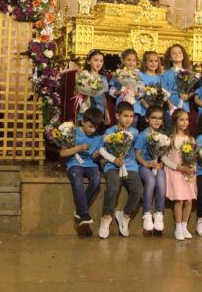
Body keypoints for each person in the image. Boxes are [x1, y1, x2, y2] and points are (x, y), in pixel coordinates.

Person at [98, 102, 142, 238]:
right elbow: (101, 149)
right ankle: (106, 218)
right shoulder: (110, 132)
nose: (129, 119)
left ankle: (125, 216)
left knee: (138, 190)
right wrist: (113, 160)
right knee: (113, 188)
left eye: (131, 116)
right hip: (112, 166)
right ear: (117, 116)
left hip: (130, 166)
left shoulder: (134, 132)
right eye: (125, 116)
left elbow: (136, 150)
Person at [59, 108, 104, 236]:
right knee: (77, 179)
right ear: (82, 121)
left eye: (95, 128)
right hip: (74, 164)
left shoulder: (98, 137)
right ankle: (84, 214)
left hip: (91, 165)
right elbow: (63, 153)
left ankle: (80, 211)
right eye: (90, 126)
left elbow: (100, 156)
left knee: (96, 180)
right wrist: (79, 147)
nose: (92, 130)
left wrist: (98, 155)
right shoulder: (72, 132)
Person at [163, 109, 197, 240]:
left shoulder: (191, 139)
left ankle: (184, 226)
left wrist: (192, 167)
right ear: (175, 121)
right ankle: (178, 228)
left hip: (187, 172)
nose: (185, 122)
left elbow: (193, 157)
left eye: (187, 120)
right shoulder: (170, 139)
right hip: (176, 172)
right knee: (180, 200)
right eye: (181, 120)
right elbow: (164, 158)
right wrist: (177, 167)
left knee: (189, 201)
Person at [133, 105, 167, 236]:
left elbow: (164, 155)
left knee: (161, 182)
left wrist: (161, 165)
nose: (157, 121)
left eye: (160, 118)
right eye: (154, 118)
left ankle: (159, 214)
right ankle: (147, 214)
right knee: (151, 181)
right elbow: (138, 154)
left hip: (157, 166)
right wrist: (147, 164)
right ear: (147, 119)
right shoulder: (143, 135)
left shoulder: (163, 136)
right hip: (144, 165)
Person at [109, 48, 145, 129]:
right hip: (121, 104)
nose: (131, 63)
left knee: (132, 129)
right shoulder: (118, 73)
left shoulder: (139, 74)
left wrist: (138, 94)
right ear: (123, 60)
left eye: (134, 60)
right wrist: (117, 92)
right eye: (128, 60)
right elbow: (111, 89)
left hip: (135, 107)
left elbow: (142, 90)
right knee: (120, 129)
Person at [75, 49, 109, 122]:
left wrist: (106, 112)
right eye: (96, 60)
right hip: (85, 109)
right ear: (88, 61)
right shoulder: (83, 76)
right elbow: (77, 91)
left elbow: (103, 97)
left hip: (99, 110)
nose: (99, 63)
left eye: (101, 61)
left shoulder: (103, 78)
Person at [161, 43, 193, 113]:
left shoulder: (188, 73)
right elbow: (163, 90)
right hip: (171, 104)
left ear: (183, 56)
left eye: (179, 52)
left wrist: (188, 96)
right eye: (174, 53)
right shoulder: (166, 74)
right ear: (170, 57)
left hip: (184, 105)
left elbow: (192, 90)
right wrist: (169, 104)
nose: (177, 54)